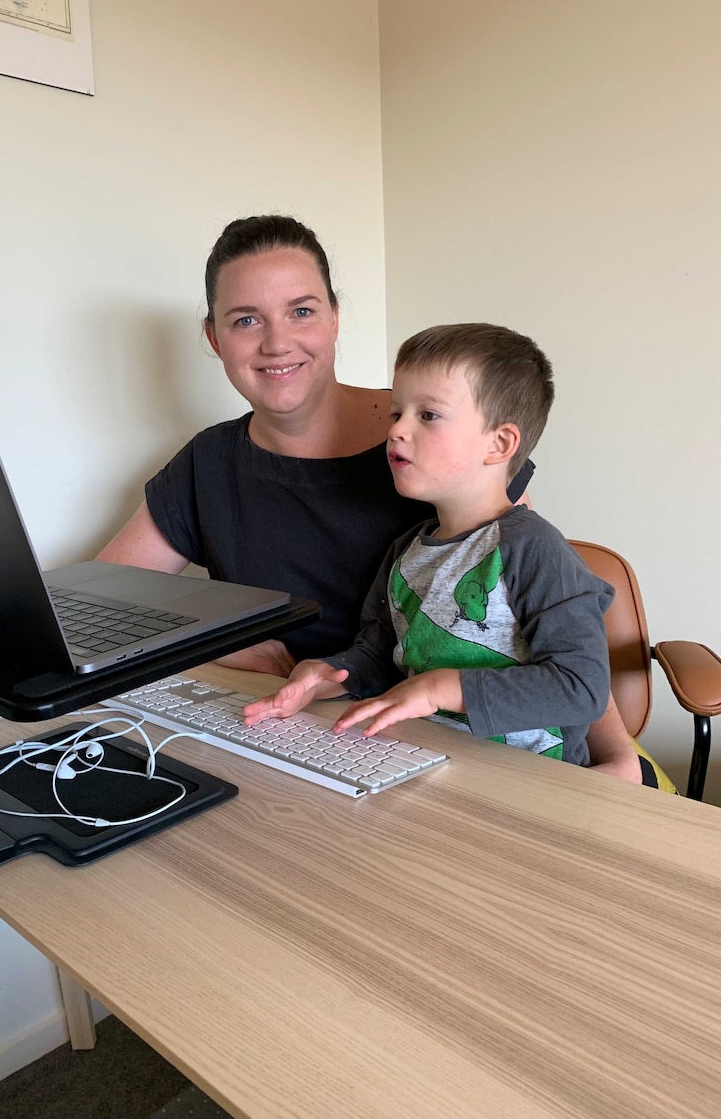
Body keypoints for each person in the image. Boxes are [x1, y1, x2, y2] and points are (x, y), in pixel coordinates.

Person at [98, 213, 641, 780]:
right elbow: (101, 606)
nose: (277, 341)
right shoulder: (209, 464)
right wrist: (224, 646)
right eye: (246, 320)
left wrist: (617, 757)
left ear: (334, 318)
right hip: (348, 736)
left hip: (497, 752)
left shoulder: (440, 443)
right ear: (214, 337)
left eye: (302, 311)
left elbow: (542, 623)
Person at [242, 323, 642, 779]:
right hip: (432, 765)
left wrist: (441, 688)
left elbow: (581, 687)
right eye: (396, 415)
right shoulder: (405, 553)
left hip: (537, 784)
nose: (396, 432)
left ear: (500, 444)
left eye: (427, 415)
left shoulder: (534, 549)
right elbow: (378, 657)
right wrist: (326, 676)